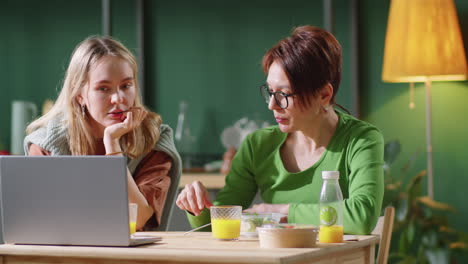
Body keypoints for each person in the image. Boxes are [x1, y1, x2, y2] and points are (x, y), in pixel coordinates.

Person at [176, 25, 384, 235]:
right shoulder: (257, 145)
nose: (272, 105)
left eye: (284, 94)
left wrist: (282, 211)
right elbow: (216, 224)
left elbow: (362, 216)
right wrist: (197, 206)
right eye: (270, 92)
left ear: (323, 95)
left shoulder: (361, 140)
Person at [24, 36, 181, 231]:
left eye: (126, 86)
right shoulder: (46, 144)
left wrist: (112, 144)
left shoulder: (154, 140)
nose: (118, 98)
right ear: (80, 95)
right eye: (103, 88)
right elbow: (42, 224)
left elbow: (137, 219)